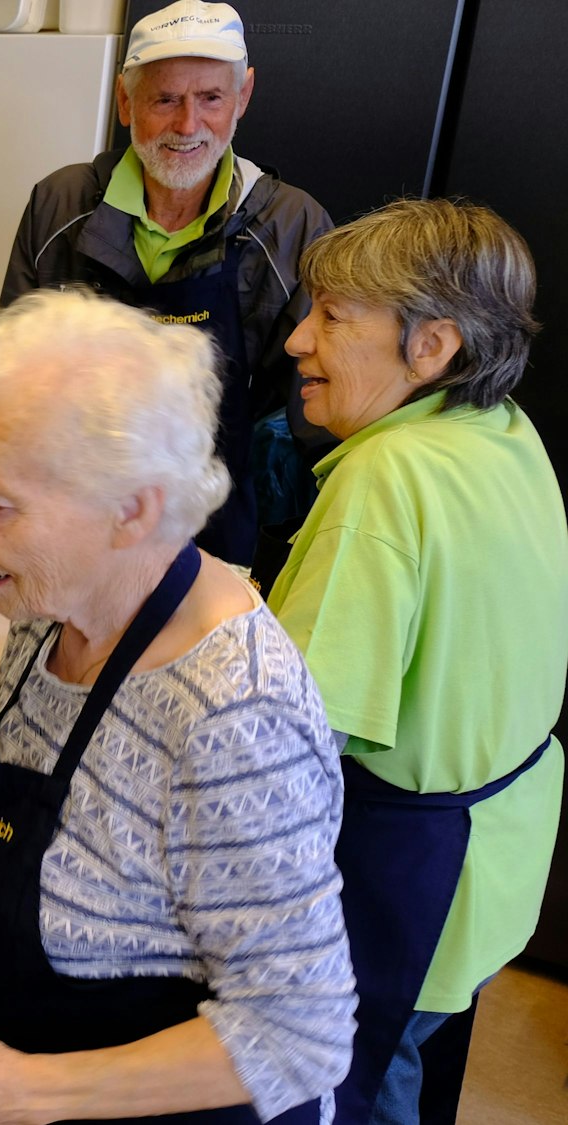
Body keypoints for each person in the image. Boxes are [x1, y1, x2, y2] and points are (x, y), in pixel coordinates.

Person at [0, 289, 353, 1124]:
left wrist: (17, 1090)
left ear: (130, 510)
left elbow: (300, 1033)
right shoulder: (50, 609)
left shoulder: (234, 713)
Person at [265, 199, 565, 1125]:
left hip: (407, 877)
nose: (297, 340)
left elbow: (296, 737)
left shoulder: (384, 477)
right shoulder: (501, 429)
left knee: (357, 1090)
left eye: (331, 317)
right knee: (415, 1058)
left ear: (431, 347)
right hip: (498, 849)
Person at [0, 0, 332, 572]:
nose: (188, 125)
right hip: (71, 516)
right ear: (125, 102)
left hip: (219, 532)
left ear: (243, 96)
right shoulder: (60, 204)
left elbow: (318, 413)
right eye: (165, 100)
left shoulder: (288, 226)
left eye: (211, 99)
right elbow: (11, 375)